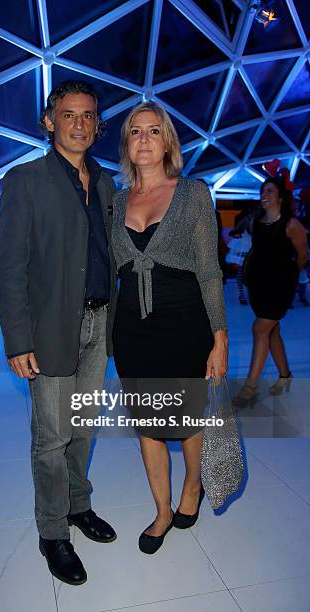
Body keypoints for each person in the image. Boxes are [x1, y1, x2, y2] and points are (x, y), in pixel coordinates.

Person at [0, 80, 117, 586]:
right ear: (49, 121)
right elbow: (10, 266)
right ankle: (52, 532)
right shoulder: (25, 180)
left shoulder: (106, 183)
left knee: (83, 427)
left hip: (99, 324)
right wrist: (18, 340)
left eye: (88, 116)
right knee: (50, 437)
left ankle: (77, 506)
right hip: (49, 331)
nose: (80, 124)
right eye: (69, 115)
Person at [111, 101, 228, 554]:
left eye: (153, 131)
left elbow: (210, 271)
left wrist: (219, 336)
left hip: (185, 326)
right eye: (135, 132)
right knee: (148, 425)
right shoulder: (116, 201)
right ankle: (161, 511)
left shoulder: (193, 193)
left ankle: (192, 488)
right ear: (126, 144)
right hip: (133, 332)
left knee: (188, 420)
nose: (143, 139)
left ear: (168, 142)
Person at [232, 176, 308, 406]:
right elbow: (253, 248)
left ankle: (250, 387)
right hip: (258, 286)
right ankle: (285, 376)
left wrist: (289, 279)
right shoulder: (257, 221)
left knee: (259, 329)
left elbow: (303, 255)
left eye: (269, 191)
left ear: (281, 197)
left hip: (280, 286)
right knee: (272, 332)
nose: (264, 195)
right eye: (262, 191)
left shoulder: (291, 225)